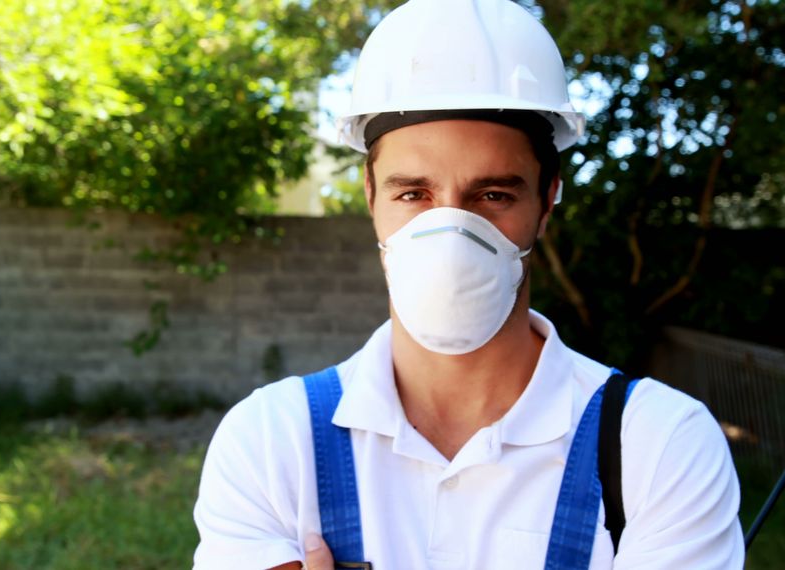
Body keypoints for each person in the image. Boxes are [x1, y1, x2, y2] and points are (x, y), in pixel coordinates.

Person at [192, 0, 745, 568]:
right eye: (414, 194)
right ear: (370, 194)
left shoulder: (658, 444)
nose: (451, 232)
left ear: (548, 197)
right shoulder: (270, 443)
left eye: (493, 196)